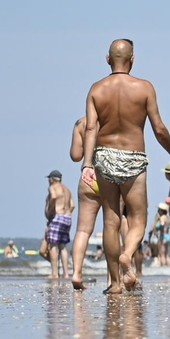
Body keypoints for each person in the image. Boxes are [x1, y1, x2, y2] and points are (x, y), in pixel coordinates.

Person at [80, 39, 170, 293]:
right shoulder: (144, 88)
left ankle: (114, 283)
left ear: (108, 59)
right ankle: (128, 254)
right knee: (138, 218)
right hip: (133, 157)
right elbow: (159, 128)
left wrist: (87, 163)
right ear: (132, 60)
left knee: (110, 220)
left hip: (103, 155)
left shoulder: (96, 89)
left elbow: (91, 128)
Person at [67, 115, 110, 289]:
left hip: (87, 178)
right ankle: (112, 279)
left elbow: (75, 156)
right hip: (110, 177)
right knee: (112, 228)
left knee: (83, 231)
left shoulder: (81, 123)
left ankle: (77, 273)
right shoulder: (113, 119)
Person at [44, 170, 73, 279]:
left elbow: (54, 196)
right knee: (63, 246)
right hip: (68, 217)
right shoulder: (67, 190)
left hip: (58, 216)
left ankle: (55, 273)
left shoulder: (53, 187)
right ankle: (66, 274)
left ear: (52, 179)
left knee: (53, 245)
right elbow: (72, 205)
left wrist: (51, 210)